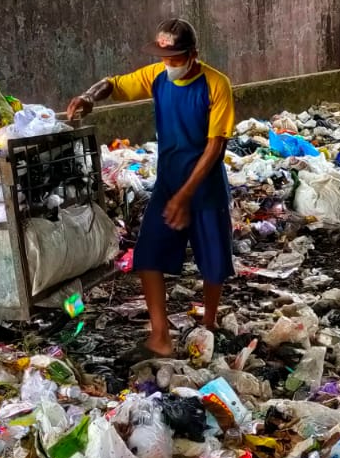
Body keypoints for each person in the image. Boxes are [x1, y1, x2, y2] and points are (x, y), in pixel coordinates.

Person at [67, 18, 234, 357]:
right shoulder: (157, 76)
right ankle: (160, 336)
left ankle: (210, 322)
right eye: (163, 57)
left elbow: (215, 146)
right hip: (169, 183)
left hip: (205, 187)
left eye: (175, 57)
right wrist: (88, 96)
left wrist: (185, 196)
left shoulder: (216, 85)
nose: (169, 64)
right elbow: (112, 84)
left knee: (213, 263)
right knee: (148, 256)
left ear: (193, 54)